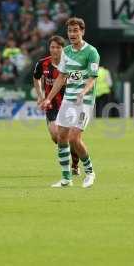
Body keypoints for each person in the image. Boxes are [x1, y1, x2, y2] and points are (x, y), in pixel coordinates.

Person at [40, 17, 100, 188]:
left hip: (85, 101)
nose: (72, 34)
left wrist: (83, 92)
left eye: (76, 30)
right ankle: (66, 178)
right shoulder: (66, 51)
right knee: (61, 137)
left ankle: (90, 172)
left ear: (82, 31)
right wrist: (48, 98)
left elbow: (92, 78)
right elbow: (62, 77)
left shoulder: (92, 52)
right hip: (68, 100)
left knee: (74, 137)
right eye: (70, 31)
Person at [33, 35, 80, 176]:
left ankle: (75, 164)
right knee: (55, 136)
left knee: (70, 138)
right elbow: (36, 78)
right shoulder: (42, 63)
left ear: (63, 49)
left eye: (58, 47)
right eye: (52, 47)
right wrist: (41, 96)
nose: (55, 50)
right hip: (51, 105)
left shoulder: (70, 64)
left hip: (69, 104)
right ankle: (68, 159)